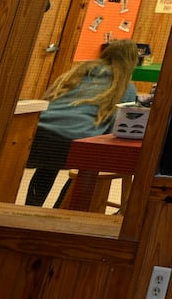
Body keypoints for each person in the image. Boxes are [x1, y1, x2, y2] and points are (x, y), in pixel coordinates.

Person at [24, 38, 141, 208]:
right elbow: (116, 124)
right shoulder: (124, 85)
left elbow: (47, 98)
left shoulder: (74, 73)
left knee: (47, 167)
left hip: (36, 136)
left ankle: (31, 206)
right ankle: (60, 210)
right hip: (75, 144)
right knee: (84, 169)